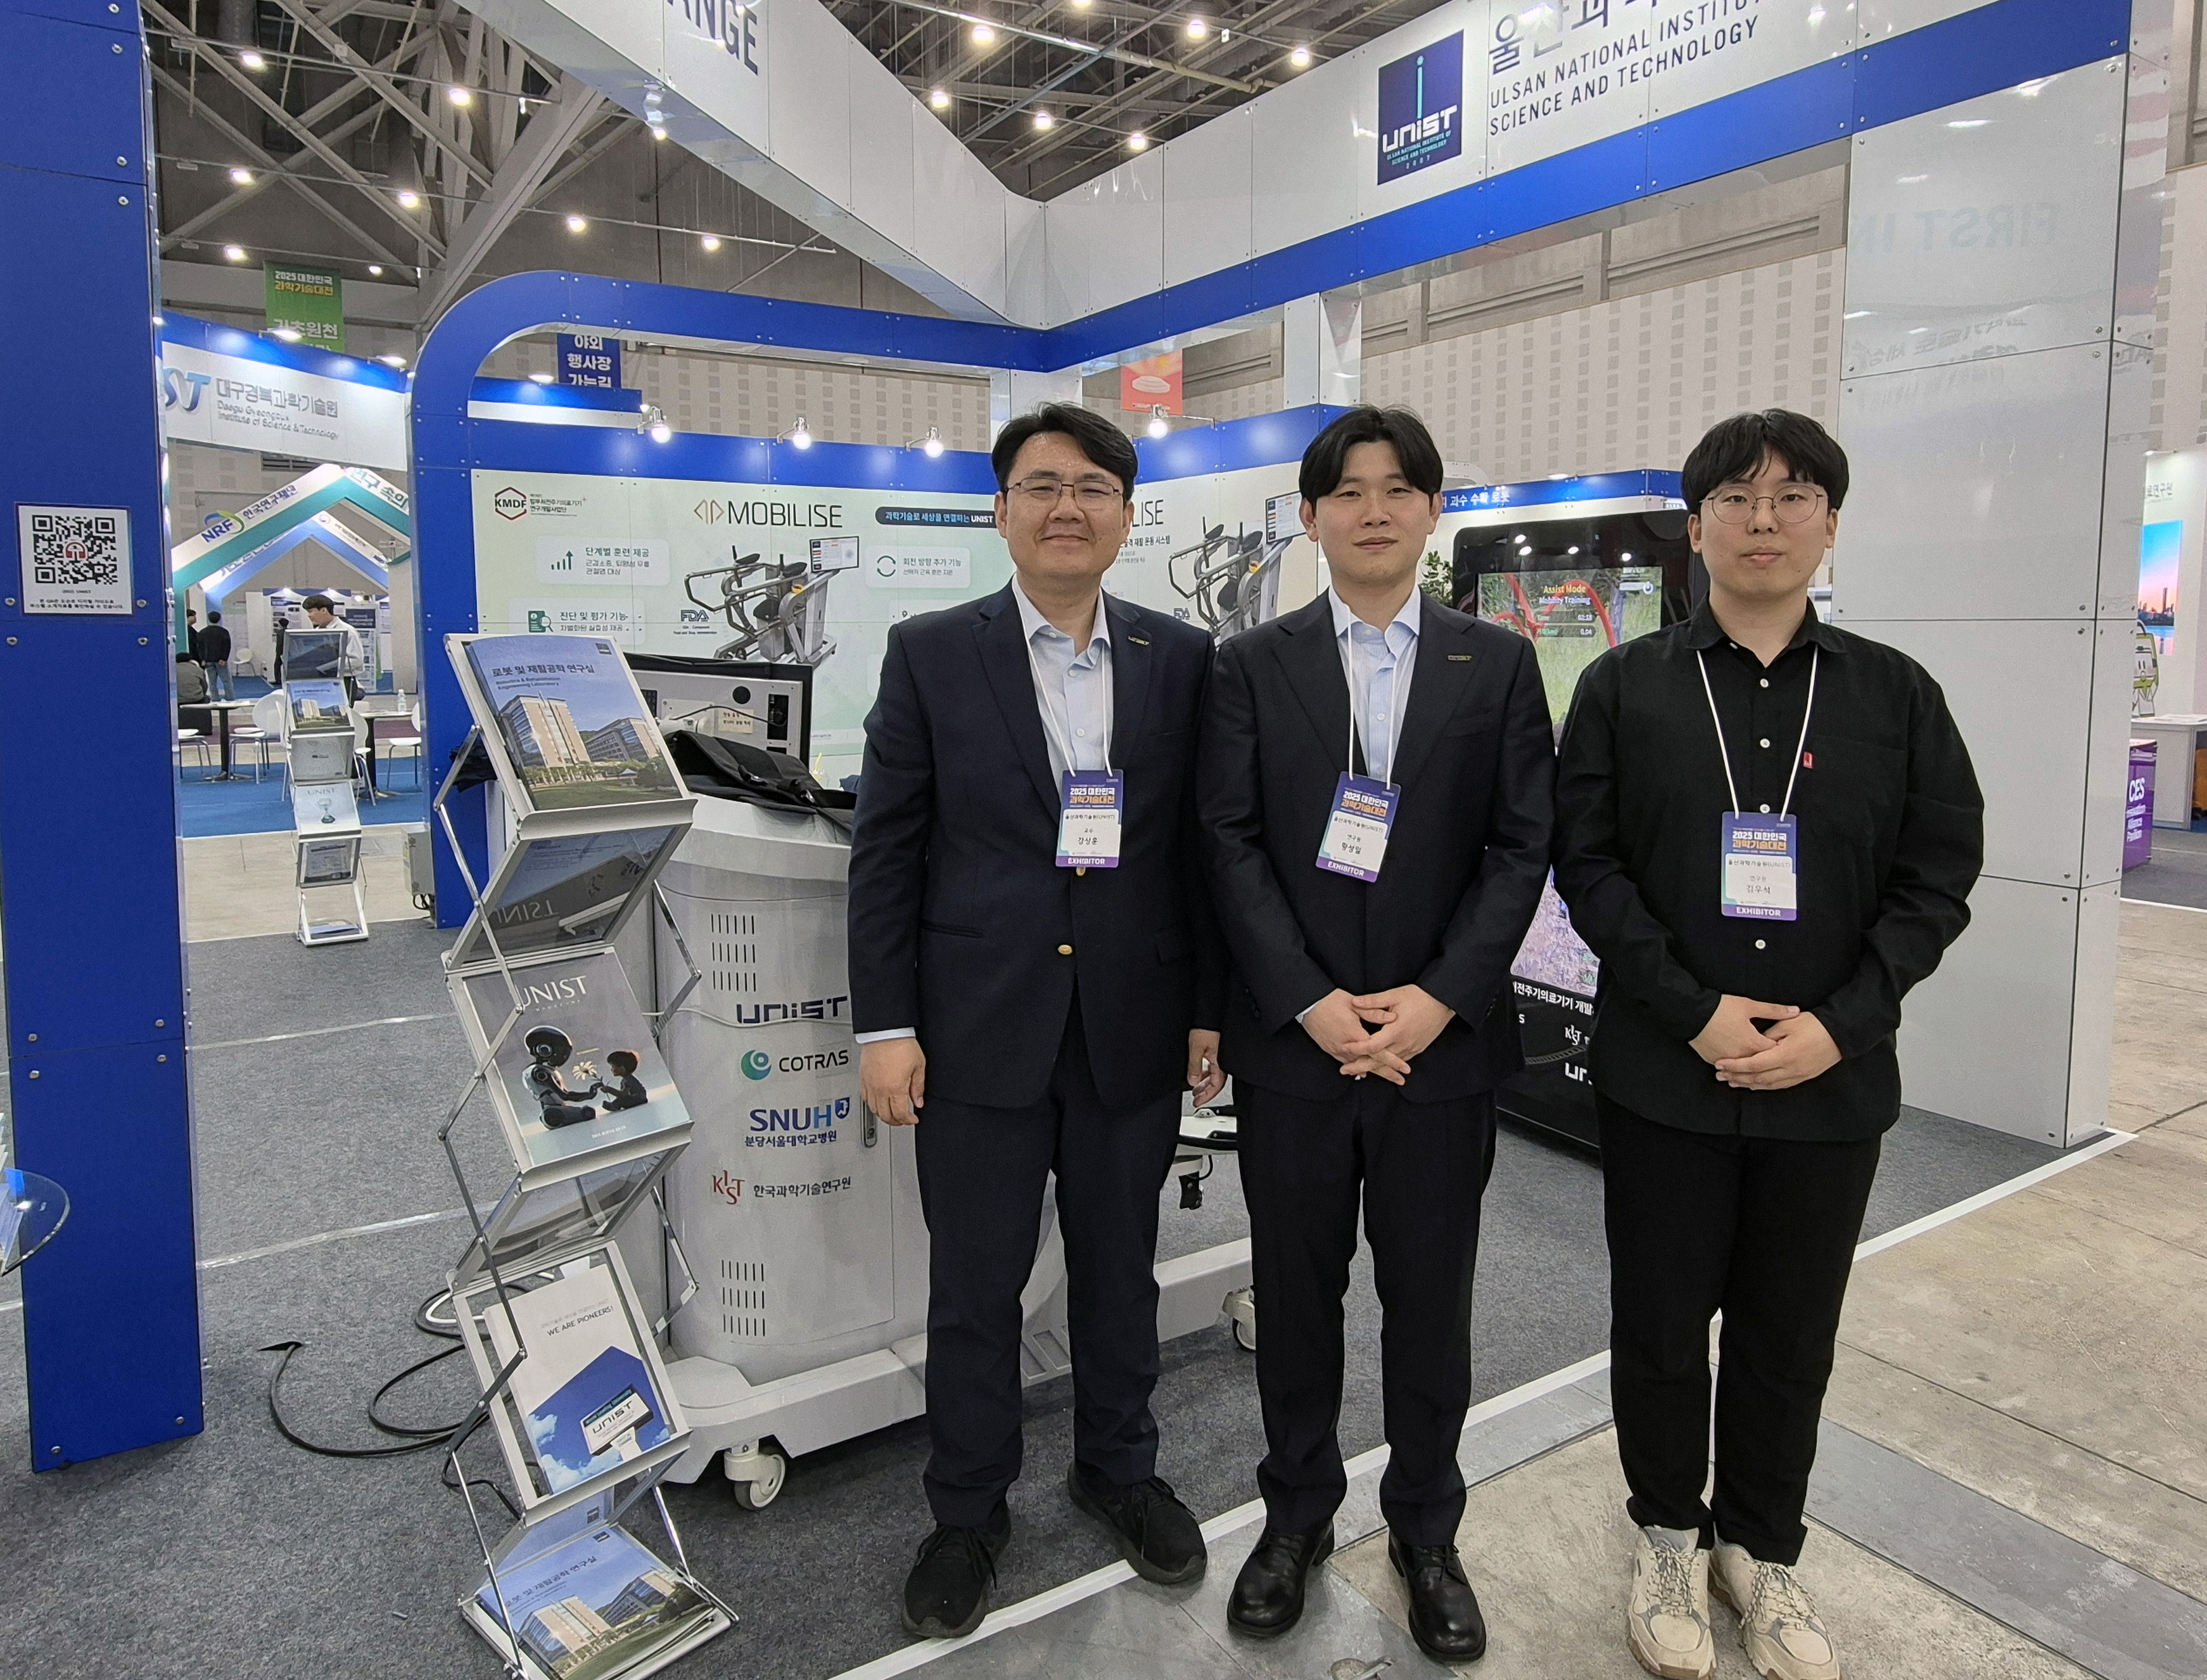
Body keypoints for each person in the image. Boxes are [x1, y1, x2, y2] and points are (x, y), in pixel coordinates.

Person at [1551, 409, 1982, 1680]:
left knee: (1792, 1329)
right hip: (1660, 1075)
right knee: (1660, 1321)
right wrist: (1688, 1007)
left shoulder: (1892, 694)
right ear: (1693, 529)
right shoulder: (1621, 687)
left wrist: (1837, 1025)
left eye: (1792, 496)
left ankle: (1761, 1547)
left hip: (1826, 1083)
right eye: (1734, 499)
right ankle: (1669, 1538)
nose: (1762, 519)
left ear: (1828, 525)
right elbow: (1587, 866)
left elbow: (1934, 876)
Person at [848, 402, 1224, 1639]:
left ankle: (1118, 1472)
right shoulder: (930, 651)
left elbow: (1197, 857)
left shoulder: (1180, 656)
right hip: (974, 1028)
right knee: (976, 1288)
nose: (1067, 508)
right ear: (1002, 509)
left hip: (1131, 1020)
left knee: (1122, 1272)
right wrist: (884, 1025)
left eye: (1093, 488)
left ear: (1125, 512)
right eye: (1041, 485)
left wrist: (1207, 1011)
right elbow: (886, 853)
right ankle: (966, 1512)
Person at [1197, 405, 1555, 1660]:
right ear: (1308, 516)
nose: (1371, 509)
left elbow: (1520, 849)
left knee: (1426, 1302)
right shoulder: (1248, 665)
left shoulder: (1493, 664)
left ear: (1428, 509)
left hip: (1438, 1050)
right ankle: (1293, 1517)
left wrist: (1435, 998)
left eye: (1397, 488)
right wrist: (1305, 1001)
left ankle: (1424, 1532)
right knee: (1295, 1297)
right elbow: (1227, 846)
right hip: (1294, 1049)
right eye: (1345, 490)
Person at [302, 595, 366, 699]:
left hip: (344, 683)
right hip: (321, 683)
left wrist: (326, 667)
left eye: (311, 611)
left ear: (323, 610)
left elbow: (356, 660)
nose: (309, 616)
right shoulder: (315, 633)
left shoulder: (348, 631)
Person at [200, 609, 234, 700]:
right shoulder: (224, 632)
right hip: (221, 661)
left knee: (212, 681)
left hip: (208, 660)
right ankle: (230, 697)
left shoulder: (202, 632)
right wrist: (224, 658)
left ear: (209, 619)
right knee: (226, 680)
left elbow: (200, 647)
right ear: (219, 619)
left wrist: (202, 659)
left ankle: (215, 698)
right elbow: (227, 646)